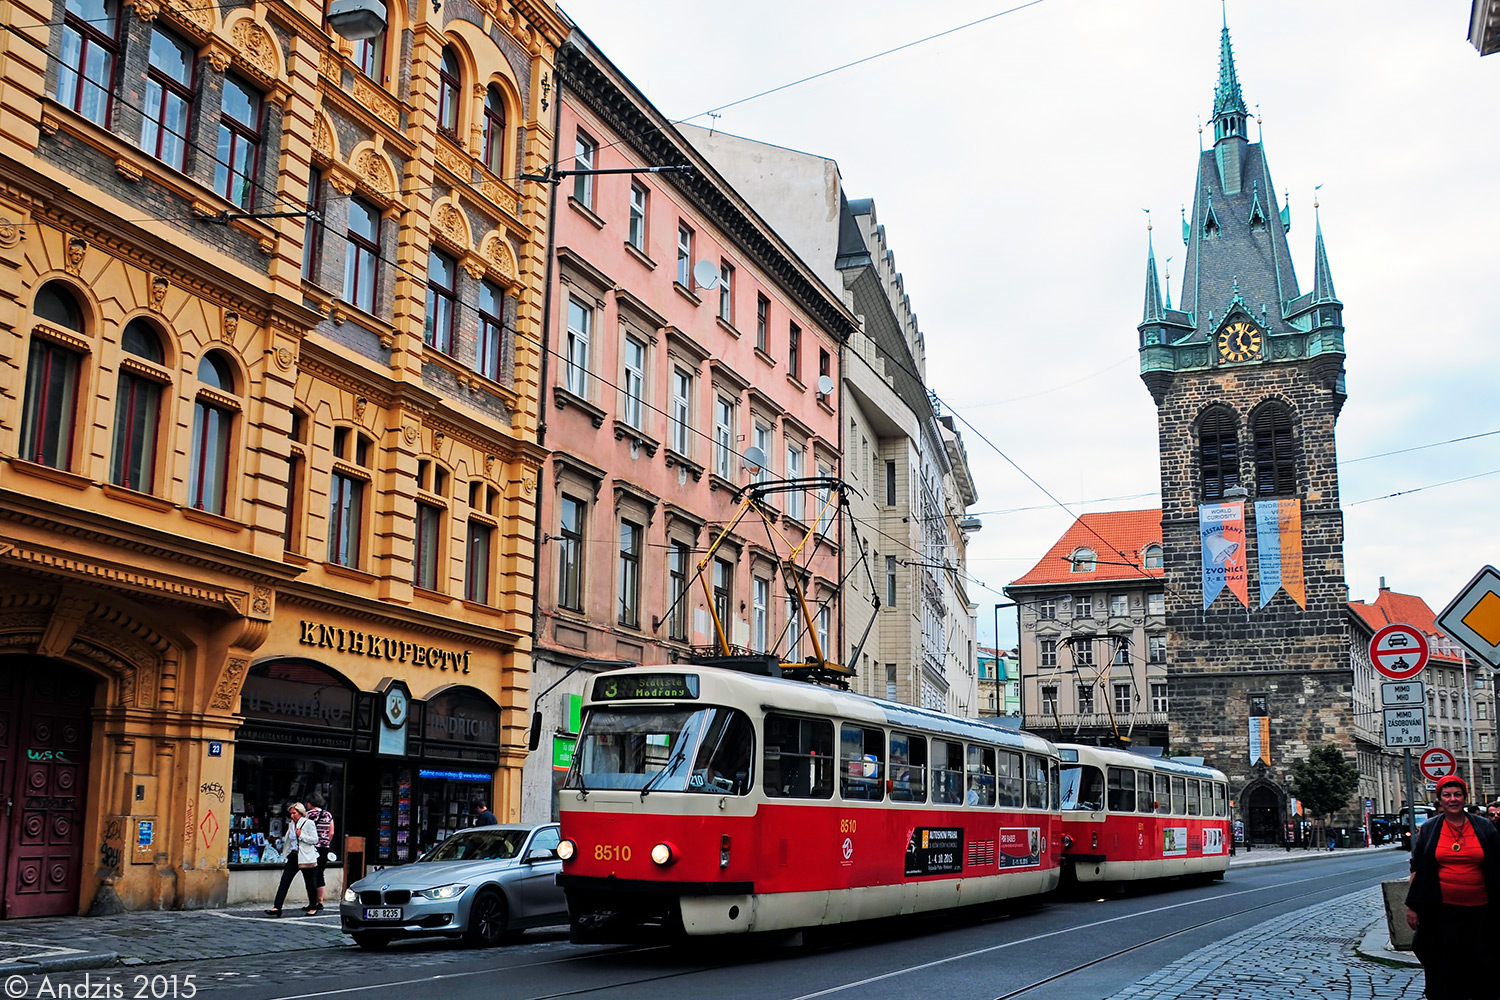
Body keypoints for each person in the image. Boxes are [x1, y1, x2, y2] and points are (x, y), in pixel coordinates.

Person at [1404, 774, 1500, 1000]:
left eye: (1457, 794)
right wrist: (1412, 906)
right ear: (1439, 799)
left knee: (1481, 963)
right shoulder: (1430, 828)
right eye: (1446, 795)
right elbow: (1417, 868)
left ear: (1465, 798)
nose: (1453, 799)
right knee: (1443, 966)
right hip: (1441, 910)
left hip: (1481, 910)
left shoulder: (1484, 826)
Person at [266, 802, 320, 918]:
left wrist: (302, 836)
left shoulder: (308, 823)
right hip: (293, 855)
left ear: (300, 813)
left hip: (306, 857)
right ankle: (277, 907)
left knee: (310, 883)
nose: (292, 816)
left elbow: (315, 840)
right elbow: (289, 840)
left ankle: (313, 906)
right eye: (290, 814)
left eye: (294, 813)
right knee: (285, 881)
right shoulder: (291, 824)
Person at [304, 793, 336, 912]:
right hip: (324, 847)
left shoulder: (307, 815)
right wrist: (326, 842)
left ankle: (312, 902)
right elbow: (331, 832)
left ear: (309, 803)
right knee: (320, 873)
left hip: (312, 847)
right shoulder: (328, 814)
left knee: (311, 874)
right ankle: (320, 901)